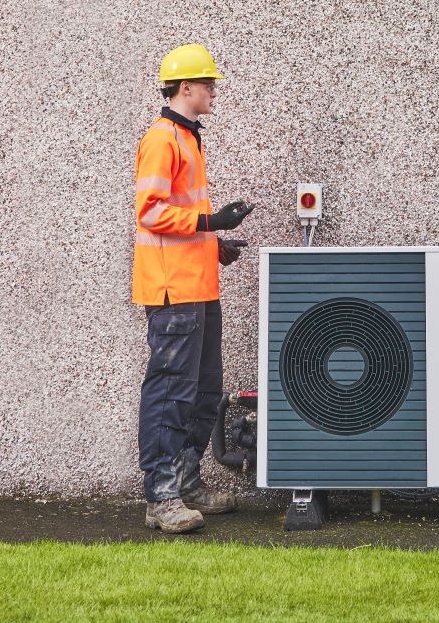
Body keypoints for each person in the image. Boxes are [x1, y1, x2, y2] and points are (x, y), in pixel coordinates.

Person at [132, 44, 254, 534]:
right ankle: (160, 498)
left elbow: (179, 221)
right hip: (173, 291)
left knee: (203, 392)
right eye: (208, 84)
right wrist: (209, 219)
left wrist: (215, 241)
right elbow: (152, 211)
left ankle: (186, 483)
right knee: (170, 392)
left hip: (199, 285)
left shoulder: (189, 138)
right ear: (186, 88)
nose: (213, 91)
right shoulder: (163, 139)